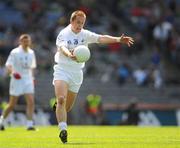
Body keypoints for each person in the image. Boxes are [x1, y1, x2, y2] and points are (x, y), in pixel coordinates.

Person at [53, 10, 134, 143]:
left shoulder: (85, 34)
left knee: (66, 107)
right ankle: (63, 130)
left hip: (77, 73)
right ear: (71, 21)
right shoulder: (63, 33)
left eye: (82, 23)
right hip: (62, 69)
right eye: (78, 22)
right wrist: (69, 55)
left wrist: (118, 39)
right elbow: (62, 48)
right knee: (61, 99)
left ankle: (58, 108)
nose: (80, 25)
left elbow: (100, 38)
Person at [0, 34, 37, 131]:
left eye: (27, 41)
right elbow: (8, 65)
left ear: (30, 42)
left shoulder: (31, 53)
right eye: (24, 41)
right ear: (20, 42)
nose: (26, 43)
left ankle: (29, 124)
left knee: (31, 102)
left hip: (28, 79)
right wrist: (13, 72)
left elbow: (32, 67)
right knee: (12, 104)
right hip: (17, 79)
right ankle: (2, 120)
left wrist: (32, 78)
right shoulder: (15, 52)